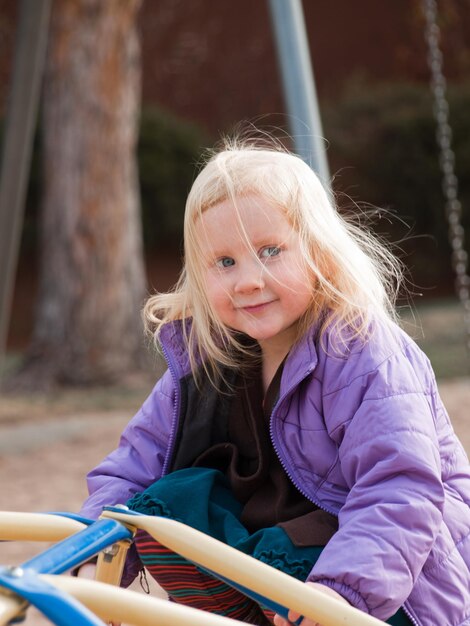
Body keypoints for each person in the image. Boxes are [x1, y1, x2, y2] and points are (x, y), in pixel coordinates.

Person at [78, 136, 470, 626]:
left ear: (318, 253)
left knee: (328, 556)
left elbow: (401, 488)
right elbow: (134, 462)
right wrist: (98, 545)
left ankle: (291, 600)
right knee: (165, 499)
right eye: (225, 262)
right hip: (280, 560)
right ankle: (246, 608)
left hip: (387, 580)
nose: (247, 280)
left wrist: (340, 595)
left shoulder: (362, 350)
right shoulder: (209, 358)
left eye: (270, 251)